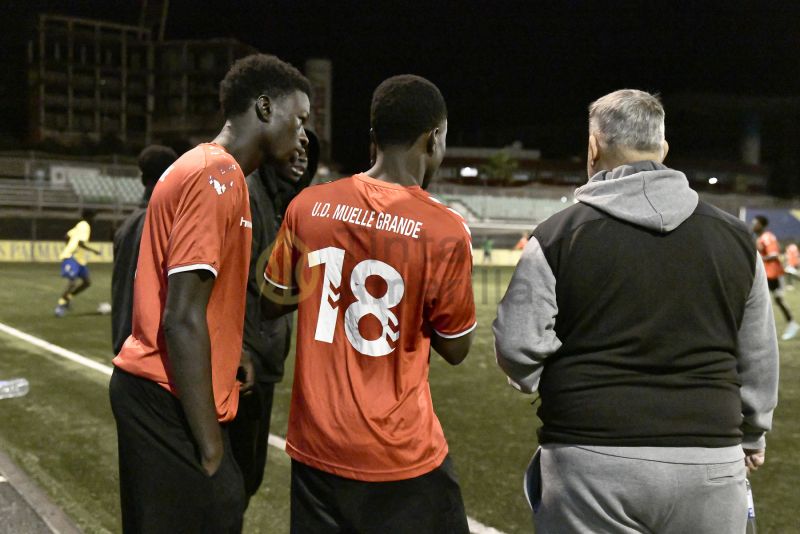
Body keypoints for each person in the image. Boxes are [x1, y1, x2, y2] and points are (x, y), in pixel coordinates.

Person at [494, 89, 779, 533]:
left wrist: (544, 377)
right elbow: (758, 353)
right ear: (664, 150)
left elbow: (517, 346)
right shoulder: (737, 239)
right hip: (710, 460)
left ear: (592, 148)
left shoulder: (556, 236)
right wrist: (753, 432)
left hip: (588, 459)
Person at [262, 75, 476, 533]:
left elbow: (272, 300)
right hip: (399, 454)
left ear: (373, 137)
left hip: (316, 447)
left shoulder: (309, 205)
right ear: (434, 137)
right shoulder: (444, 229)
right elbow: (457, 347)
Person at [109, 53, 310, 533]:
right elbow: (181, 317)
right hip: (164, 396)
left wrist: (229, 349)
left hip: (164, 389)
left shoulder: (221, 174)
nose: (303, 134)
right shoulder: (214, 176)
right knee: (221, 507)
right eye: (299, 119)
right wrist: (211, 445)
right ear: (264, 107)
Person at [229, 128, 319, 506]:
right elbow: (229, 279)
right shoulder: (250, 195)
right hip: (243, 362)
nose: (301, 157)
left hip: (261, 360)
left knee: (247, 476)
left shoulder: (282, 203)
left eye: (307, 155)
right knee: (234, 478)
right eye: (295, 149)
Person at [111, 144, 177, 354]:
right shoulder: (169, 224)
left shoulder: (126, 226)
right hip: (153, 356)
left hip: (125, 350)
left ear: (141, 179)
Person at [752, 215, 799, 340]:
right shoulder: (759, 238)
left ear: (761, 224)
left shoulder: (767, 237)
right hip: (766, 274)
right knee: (761, 301)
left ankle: (792, 324)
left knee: (776, 300)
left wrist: (758, 258)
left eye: (755, 223)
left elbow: (774, 254)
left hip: (773, 274)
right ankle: (759, 331)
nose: (753, 225)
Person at [54, 209, 101, 316]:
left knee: (87, 282)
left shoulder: (79, 225)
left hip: (79, 259)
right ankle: (60, 305)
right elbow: (81, 243)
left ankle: (68, 298)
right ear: (89, 217)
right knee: (73, 282)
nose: (95, 220)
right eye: (94, 218)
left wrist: (70, 246)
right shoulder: (85, 226)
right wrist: (94, 251)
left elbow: (66, 236)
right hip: (72, 258)